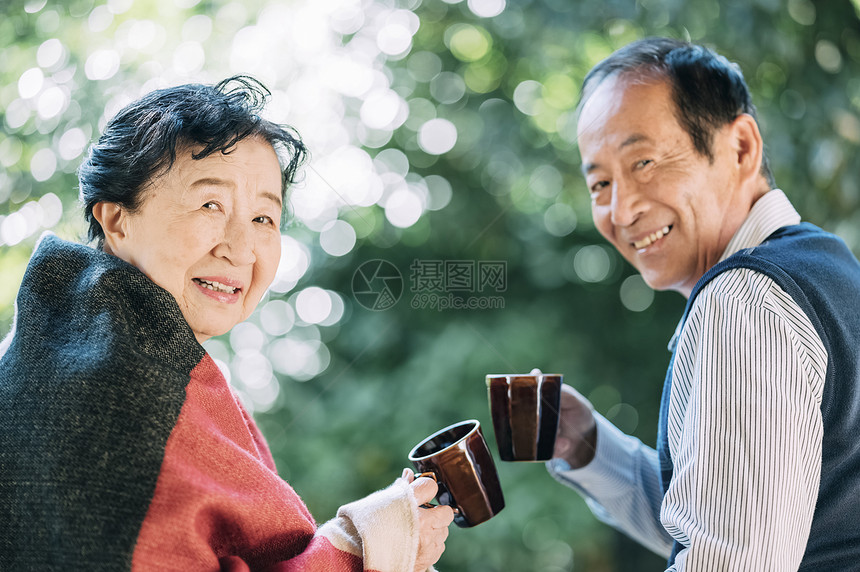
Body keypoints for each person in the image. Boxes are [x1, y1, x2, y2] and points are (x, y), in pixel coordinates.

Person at [0, 76, 454, 571]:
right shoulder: (117, 384)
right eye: (210, 204)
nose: (239, 248)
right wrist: (366, 544)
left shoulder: (56, 350)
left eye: (263, 218)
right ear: (116, 220)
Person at [544, 37, 860, 570]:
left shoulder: (744, 303)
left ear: (740, 147)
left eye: (642, 161)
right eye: (599, 183)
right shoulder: (826, 262)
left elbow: (729, 559)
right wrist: (589, 446)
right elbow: (722, 523)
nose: (621, 210)